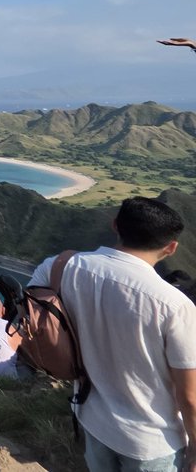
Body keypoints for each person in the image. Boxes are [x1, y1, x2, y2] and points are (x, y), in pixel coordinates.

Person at [27, 197, 196, 471]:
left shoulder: (61, 266)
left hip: (92, 418)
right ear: (171, 247)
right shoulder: (174, 305)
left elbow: (32, 311)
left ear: (115, 225)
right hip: (151, 441)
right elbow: (189, 396)